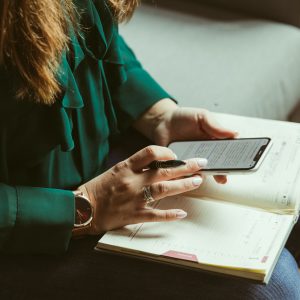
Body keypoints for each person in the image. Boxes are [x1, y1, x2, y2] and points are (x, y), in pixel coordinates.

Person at [0, 0, 299, 299]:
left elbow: (93, 36)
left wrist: (157, 114)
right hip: (29, 233)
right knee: (271, 289)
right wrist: (84, 208)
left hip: (102, 161)